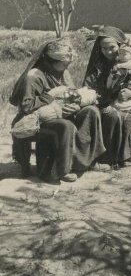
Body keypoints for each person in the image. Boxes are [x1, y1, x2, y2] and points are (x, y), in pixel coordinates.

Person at [10, 38, 105, 183]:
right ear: (51, 61)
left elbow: (71, 93)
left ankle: (84, 162)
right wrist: (51, 95)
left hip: (62, 112)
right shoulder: (34, 76)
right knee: (65, 125)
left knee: (91, 111)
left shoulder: (63, 72)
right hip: (40, 118)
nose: (68, 64)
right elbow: (26, 106)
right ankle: (61, 169)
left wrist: (76, 105)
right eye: (65, 62)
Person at [84, 26, 131, 169]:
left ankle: (124, 156)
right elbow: (89, 87)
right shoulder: (98, 65)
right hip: (102, 103)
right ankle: (108, 157)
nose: (108, 52)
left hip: (127, 102)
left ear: (120, 45)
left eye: (112, 47)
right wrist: (106, 98)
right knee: (112, 115)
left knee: (127, 116)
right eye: (104, 48)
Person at [107, 44, 131, 114]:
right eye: (120, 54)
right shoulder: (119, 62)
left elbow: (130, 67)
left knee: (128, 89)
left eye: (124, 54)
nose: (121, 56)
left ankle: (129, 104)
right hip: (120, 83)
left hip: (130, 82)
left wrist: (119, 66)